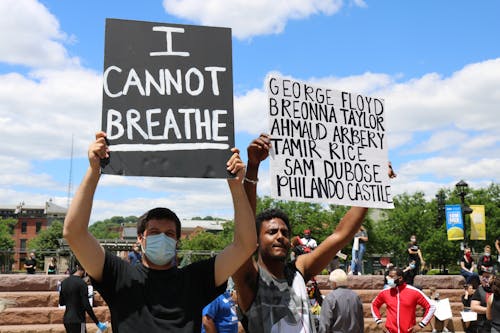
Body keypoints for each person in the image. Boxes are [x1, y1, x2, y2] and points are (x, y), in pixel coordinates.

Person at [63, 131, 256, 332]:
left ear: (178, 241)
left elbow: (245, 245)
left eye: (170, 234)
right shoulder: (119, 275)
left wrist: (236, 186)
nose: (162, 237)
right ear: (140, 239)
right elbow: (74, 233)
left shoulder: (195, 279)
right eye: (154, 232)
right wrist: (94, 171)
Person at [233, 134, 369, 333]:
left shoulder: (299, 270)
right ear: (256, 238)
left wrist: (372, 189)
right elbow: (243, 228)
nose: (280, 236)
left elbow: (340, 236)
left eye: (285, 232)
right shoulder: (250, 279)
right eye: (272, 232)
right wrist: (252, 167)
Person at [371, 267, 436, 333]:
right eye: (388, 276)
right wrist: (379, 322)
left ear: (400, 278)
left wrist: (421, 325)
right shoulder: (385, 292)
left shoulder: (414, 292)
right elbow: (374, 304)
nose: (388, 279)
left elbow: (431, 306)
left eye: (391, 277)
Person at [59, 265, 107, 333]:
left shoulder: (64, 283)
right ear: (84, 270)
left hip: (67, 320)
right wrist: (97, 323)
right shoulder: (82, 284)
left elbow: (61, 302)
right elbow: (87, 305)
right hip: (80, 320)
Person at [318, 269, 363, 333]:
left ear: (334, 283)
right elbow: (360, 322)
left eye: (330, 282)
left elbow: (325, 325)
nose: (329, 284)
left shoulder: (330, 298)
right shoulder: (356, 297)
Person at [471, 268, 494, 332]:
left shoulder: (498, 289)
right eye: (483, 276)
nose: (484, 279)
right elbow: (474, 307)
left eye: (487, 277)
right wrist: (489, 310)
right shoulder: (480, 290)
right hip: (483, 325)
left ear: (493, 278)